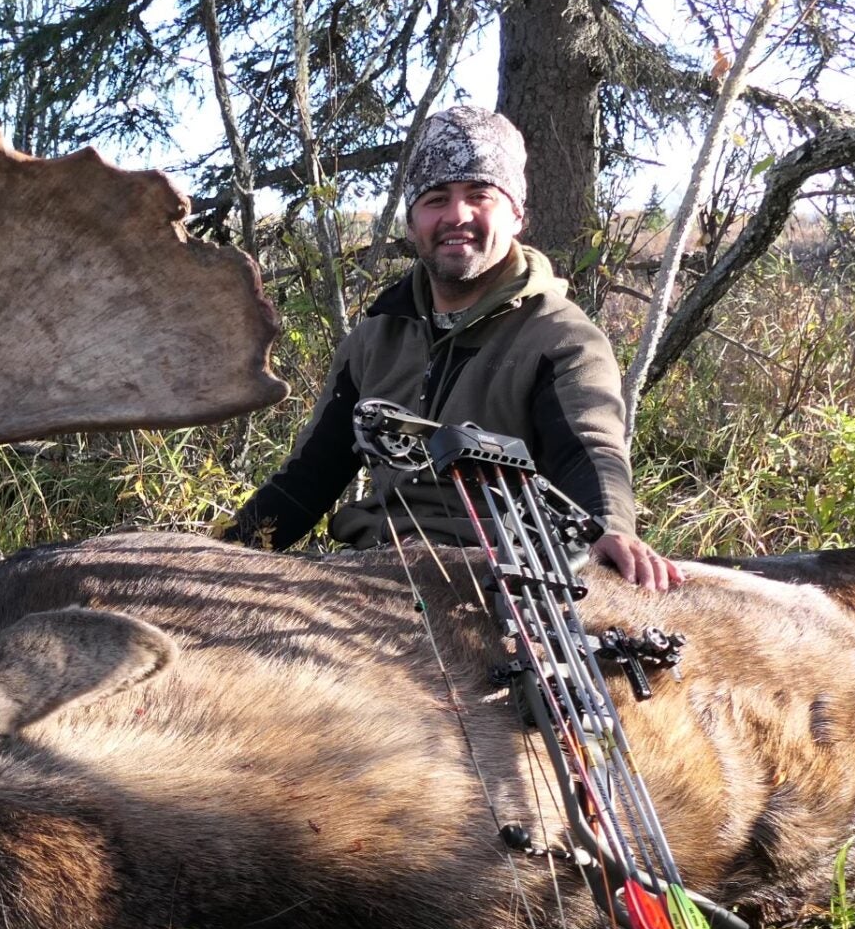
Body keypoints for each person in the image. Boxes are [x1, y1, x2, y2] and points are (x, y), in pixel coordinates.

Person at [223, 106, 683, 592]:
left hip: (497, 574)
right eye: (436, 199)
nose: (456, 216)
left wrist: (610, 526)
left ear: (517, 214)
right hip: (373, 566)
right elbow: (309, 478)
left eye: (479, 196)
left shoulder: (560, 336)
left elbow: (590, 452)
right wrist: (224, 554)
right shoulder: (376, 338)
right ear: (413, 221)